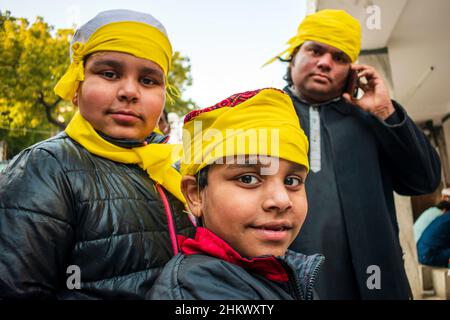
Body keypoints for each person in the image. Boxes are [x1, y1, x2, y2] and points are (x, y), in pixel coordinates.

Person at [0, 9, 194, 299]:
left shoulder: (172, 168)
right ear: (77, 87)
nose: (130, 91)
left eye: (148, 80)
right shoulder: (48, 167)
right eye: (109, 74)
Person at [265, 9, 441, 299]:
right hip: (289, 284)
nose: (324, 63)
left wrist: (386, 111)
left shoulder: (372, 120)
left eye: (340, 58)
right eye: (315, 50)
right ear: (293, 56)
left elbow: (424, 180)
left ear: (351, 72)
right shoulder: (264, 117)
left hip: (377, 283)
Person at [149, 88, 324, 300]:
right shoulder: (196, 291)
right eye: (248, 179)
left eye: (292, 181)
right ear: (195, 194)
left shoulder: (276, 271)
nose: (281, 200)